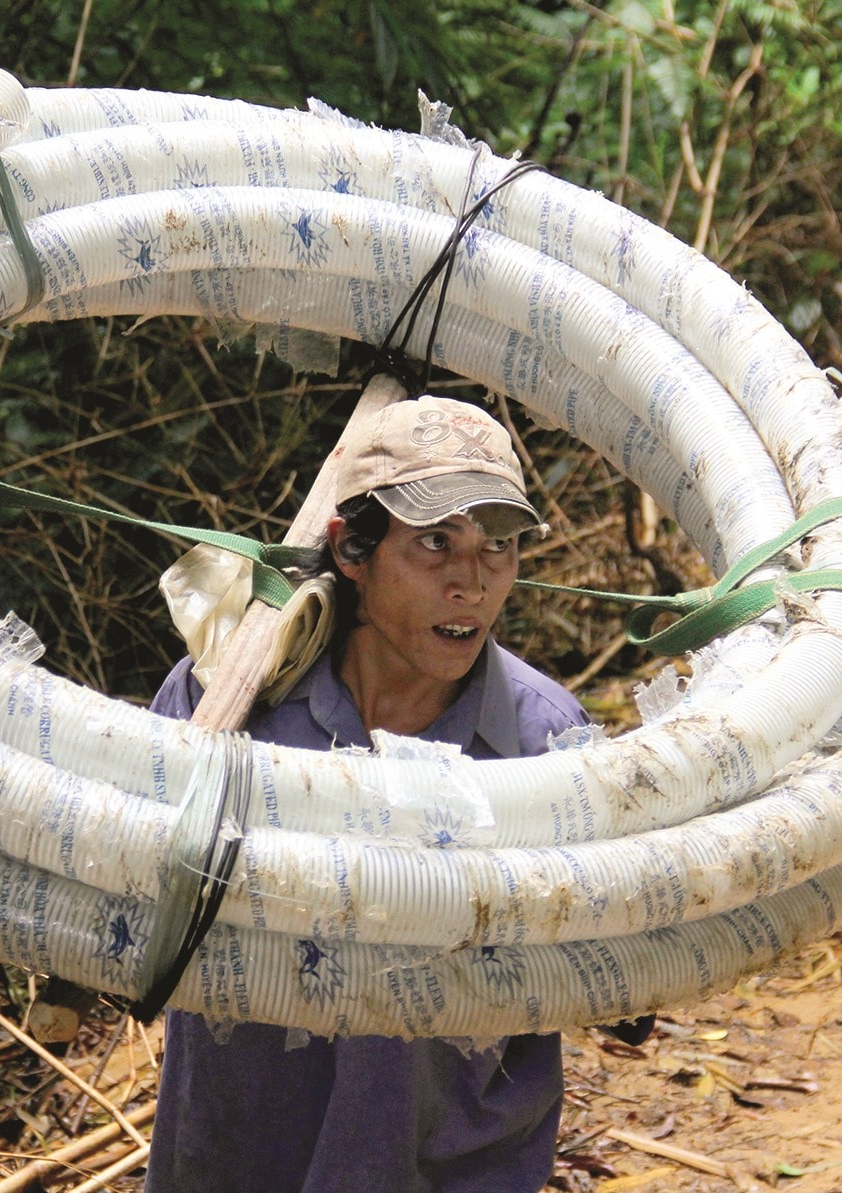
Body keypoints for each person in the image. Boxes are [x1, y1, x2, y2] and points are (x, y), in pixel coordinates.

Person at [144, 395, 589, 1193]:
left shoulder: (545, 743)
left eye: (500, 547)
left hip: (448, 1167)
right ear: (352, 550)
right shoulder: (230, 706)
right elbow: (134, 892)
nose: (473, 583)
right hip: (242, 1155)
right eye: (434, 543)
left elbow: (618, 965)